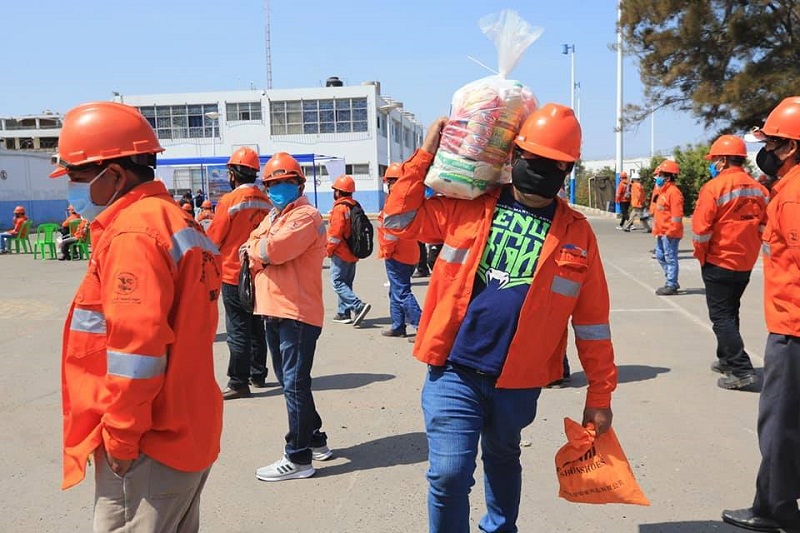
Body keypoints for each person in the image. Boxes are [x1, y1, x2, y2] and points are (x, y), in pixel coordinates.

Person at [383, 105, 618, 532]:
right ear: (513, 157)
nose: (543, 171)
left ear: (567, 170)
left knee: (504, 455)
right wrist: (423, 156)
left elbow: (593, 323)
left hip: (519, 380)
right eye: (535, 161)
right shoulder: (467, 207)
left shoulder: (577, 233)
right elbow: (398, 223)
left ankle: (500, 527)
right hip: (454, 368)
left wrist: (599, 396)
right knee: (449, 474)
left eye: (556, 165)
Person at [50, 101, 222, 530]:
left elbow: (137, 351)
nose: (70, 187)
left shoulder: (133, 234)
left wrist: (122, 438)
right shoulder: (174, 221)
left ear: (113, 174)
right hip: (187, 428)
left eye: (76, 176)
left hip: (149, 443)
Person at [723, 96, 800, 533]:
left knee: (779, 425)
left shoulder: (792, 195)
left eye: (770, 142)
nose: (764, 151)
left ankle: (775, 510)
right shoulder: (786, 189)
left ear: (789, 147)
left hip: (793, 330)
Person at [245, 152, 332, 481]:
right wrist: (260, 248)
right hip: (273, 308)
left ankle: (298, 457)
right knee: (292, 383)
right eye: (273, 184)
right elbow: (251, 244)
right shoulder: (275, 216)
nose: (279, 188)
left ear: (299, 184)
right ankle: (314, 439)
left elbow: (272, 251)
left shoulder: (305, 216)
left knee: (294, 384)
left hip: (296, 311)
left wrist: (260, 249)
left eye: (285, 182)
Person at [692, 134, 769, 391]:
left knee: (721, 316)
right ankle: (726, 358)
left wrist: (702, 256)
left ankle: (741, 369)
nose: (713, 164)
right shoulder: (760, 190)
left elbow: (701, 230)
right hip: (745, 262)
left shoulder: (713, 188)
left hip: (719, 261)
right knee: (730, 311)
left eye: (715, 160)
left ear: (723, 160)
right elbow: (765, 225)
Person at [206, 147, 272, 400]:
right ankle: (258, 374)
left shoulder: (229, 201)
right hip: (259, 273)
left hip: (234, 274)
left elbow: (213, 239)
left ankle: (238, 381)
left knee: (238, 329)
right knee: (257, 326)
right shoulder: (266, 200)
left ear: (233, 173)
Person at [378, 162, 422, 338]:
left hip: (398, 255)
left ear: (390, 182)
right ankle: (398, 325)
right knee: (396, 290)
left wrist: (387, 252)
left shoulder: (395, 203)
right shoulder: (409, 200)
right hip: (410, 253)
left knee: (402, 292)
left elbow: (390, 235)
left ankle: (421, 327)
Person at [327, 174, 371, 326]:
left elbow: (335, 234)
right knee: (346, 283)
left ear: (338, 192)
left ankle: (358, 306)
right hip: (353, 251)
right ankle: (343, 313)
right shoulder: (355, 205)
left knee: (337, 282)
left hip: (341, 252)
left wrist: (329, 249)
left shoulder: (340, 208)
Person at [652, 159, 684, 295]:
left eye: (660, 175)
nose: (658, 177)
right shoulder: (662, 191)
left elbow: (677, 215)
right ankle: (672, 280)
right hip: (661, 231)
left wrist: (671, 231)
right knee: (660, 256)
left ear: (668, 177)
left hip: (670, 233)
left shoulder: (674, 193)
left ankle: (671, 283)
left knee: (670, 257)